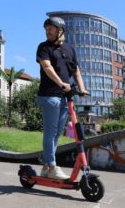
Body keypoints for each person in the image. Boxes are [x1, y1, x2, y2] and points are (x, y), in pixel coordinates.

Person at [36, 17, 88, 179]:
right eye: (46, 29)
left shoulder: (69, 48)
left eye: (51, 28)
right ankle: (51, 166)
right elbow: (47, 67)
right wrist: (61, 83)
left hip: (65, 97)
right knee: (50, 133)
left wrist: (82, 88)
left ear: (60, 30)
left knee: (58, 133)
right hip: (49, 95)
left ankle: (46, 166)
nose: (47, 31)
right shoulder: (44, 47)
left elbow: (76, 70)